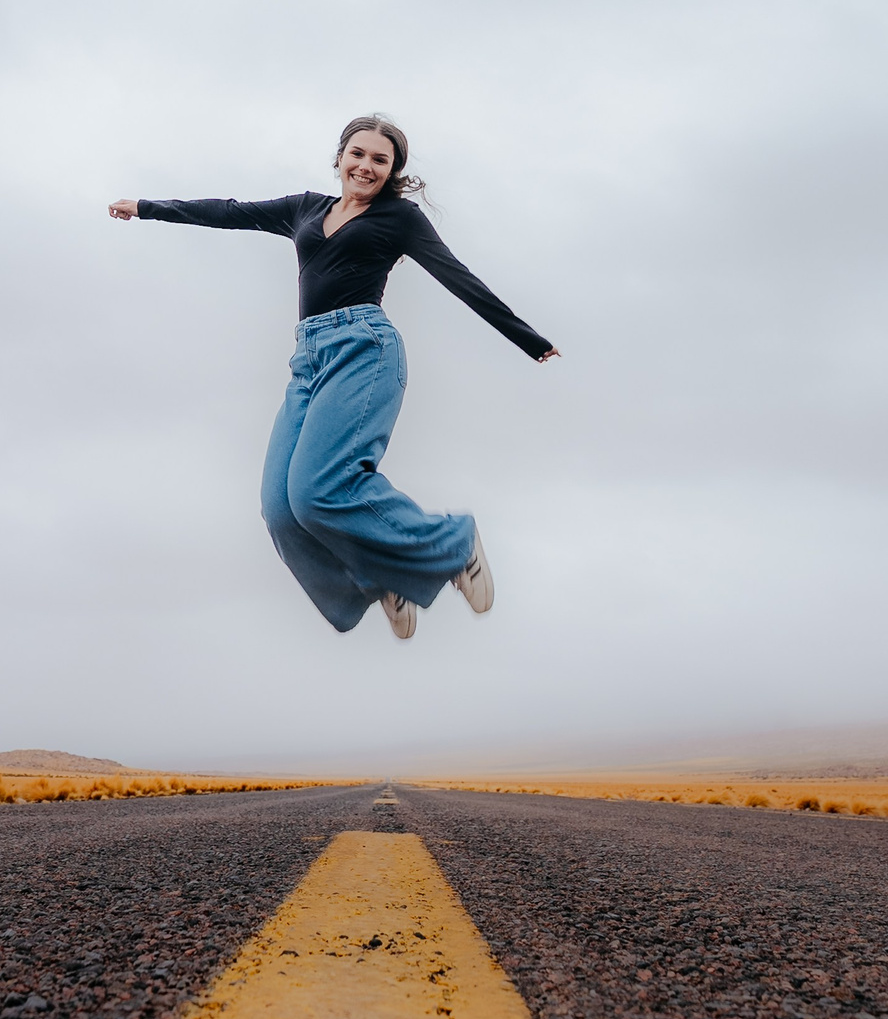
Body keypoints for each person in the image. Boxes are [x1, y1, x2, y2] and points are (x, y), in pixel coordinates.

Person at [109, 115, 558, 639]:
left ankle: (451, 545)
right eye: (358, 154)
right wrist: (147, 208)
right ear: (340, 157)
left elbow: (455, 274)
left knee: (317, 491)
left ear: (392, 172)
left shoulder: (400, 218)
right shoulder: (306, 208)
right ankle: (380, 577)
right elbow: (231, 213)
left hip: (363, 347)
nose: (366, 166)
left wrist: (527, 339)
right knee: (280, 509)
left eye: (380, 160)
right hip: (308, 359)